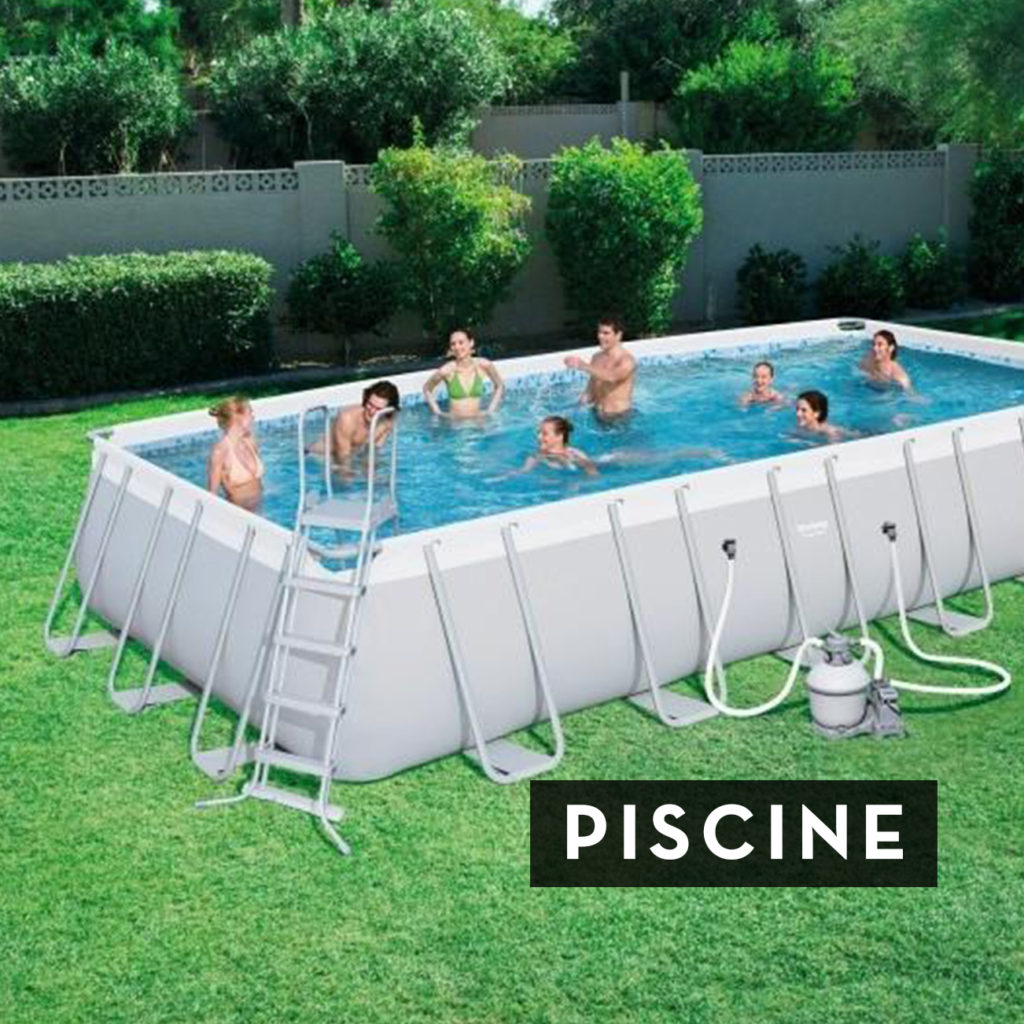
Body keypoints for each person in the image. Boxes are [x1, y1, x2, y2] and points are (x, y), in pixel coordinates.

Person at [308, 380, 400, 474]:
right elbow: (342, 459)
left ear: (388, 410)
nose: (372, 411)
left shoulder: (387, 422)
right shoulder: (348, 419)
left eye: (378, 409)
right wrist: (348, 474)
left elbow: (373, 452)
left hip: (349, 456)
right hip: (319, 456)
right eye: (370, 404)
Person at [422, 327, 505, 419]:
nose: (457, 347)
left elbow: (499, 385)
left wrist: (491, 410)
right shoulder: (447, 370)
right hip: (456, 423)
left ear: (471, 343)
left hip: (478, 421)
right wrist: (438, 413)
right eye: (453, 344)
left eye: (461, 342)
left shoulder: (484, 365)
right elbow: (427, 389)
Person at [564, 316, 636, 418]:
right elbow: (590, 390)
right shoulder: (596, 357)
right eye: (599, 332)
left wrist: (583, 365)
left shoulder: (626, 361)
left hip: (619, 417)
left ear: (618, 335)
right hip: (597, 414)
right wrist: (574, 412)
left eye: (606, 333)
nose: (600, 336)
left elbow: (612, 377)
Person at [207, 395, 264, 510]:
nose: (253, 417)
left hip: (259, 509)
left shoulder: (250, 441)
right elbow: (212, 494)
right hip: (238, 512)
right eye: (250, 413)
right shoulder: (220, 451)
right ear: (238, 417)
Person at [518, 416, 598, 476]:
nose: (539, 437)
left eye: (544, 434)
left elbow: (592, 471)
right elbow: (524, 471)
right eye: (538, 432)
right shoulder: (537, 455)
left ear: (559, 436)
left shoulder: (575, 453)